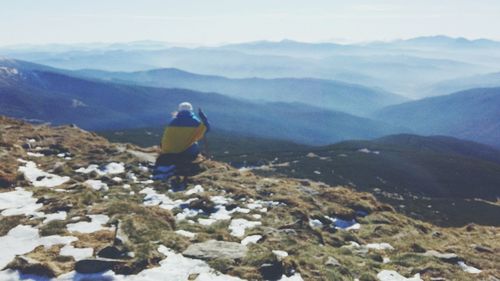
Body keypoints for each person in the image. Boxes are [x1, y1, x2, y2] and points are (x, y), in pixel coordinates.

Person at [155, 102, 210, 168]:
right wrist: (204, 118)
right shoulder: (195, 121)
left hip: (166, 150)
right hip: (181, 151)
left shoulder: (172, 121)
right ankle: (187, 159)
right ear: (190, 110)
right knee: (195, 145)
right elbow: (206, 129)